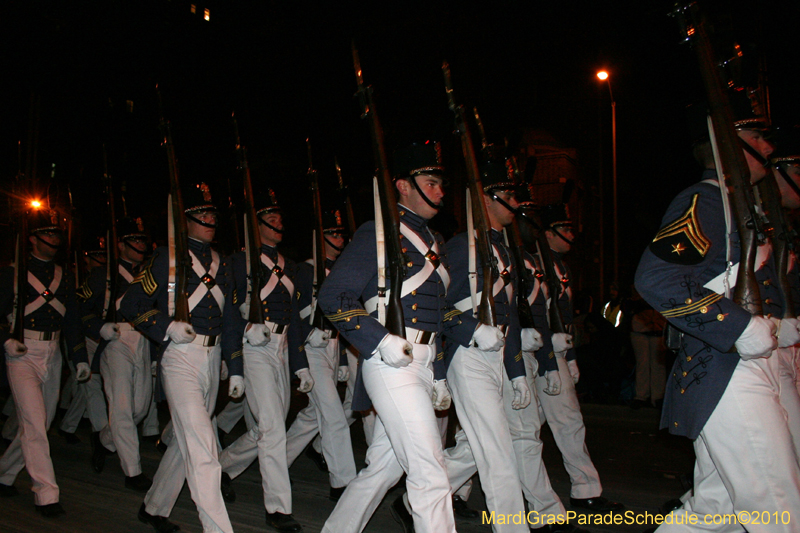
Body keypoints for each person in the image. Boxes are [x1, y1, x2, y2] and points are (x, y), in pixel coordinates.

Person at [634, 99, 800, 530]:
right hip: (725, 368)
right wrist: (740, 327)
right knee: (779, 508)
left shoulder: (739, 206)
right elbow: (658, 279)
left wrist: (777, 326)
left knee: (714, 513)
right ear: (725, 143)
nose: (768, 147)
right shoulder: (706, 202)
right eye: (756, 137)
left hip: (750, 364)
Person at [318, 141, 458, 533]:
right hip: (392, 363)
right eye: (430, 184)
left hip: (425, 363)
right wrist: (380, 340)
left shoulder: (435, 241)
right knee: (430, 472)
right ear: (403, 186)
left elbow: (436, 315)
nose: (439, 192)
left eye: (440, 184)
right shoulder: (377, 234)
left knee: (383, 468)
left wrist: (439, 373)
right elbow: (333, 295)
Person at [119, 183, 242, 533]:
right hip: (180, 358)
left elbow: (231, 318)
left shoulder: (222, 262)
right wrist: (167, 326)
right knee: (203, 447)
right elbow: (131, 304)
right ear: (184, 220)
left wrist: (235, 366)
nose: (210, 220)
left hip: (212, 358)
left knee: (185, 441)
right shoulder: (165, 258)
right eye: (201, 214)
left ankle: (154, 507)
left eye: (212, 214)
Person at [433, 156, 534, 533]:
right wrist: (471, 328)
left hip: (498, 356)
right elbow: (435, 306)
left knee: (478, 448)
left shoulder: (504, 250)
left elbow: (509, 316)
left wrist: (517, 372)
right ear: (487, 198)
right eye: (508, 194)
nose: (516, 202)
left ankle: (421, 495)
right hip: (468, 355)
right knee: (498, 453)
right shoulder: (462, 247)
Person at [217, 189, 309, 533]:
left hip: (281, 347)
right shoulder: (237, 262)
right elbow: (226, 313)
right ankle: (278, 508)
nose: (278, 224)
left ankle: (221, 467)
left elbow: (295, 320)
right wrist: (242, 340)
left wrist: (300, 363)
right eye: (270, 219)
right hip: (253, 346)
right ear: (254, 227)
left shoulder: (289, 265)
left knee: (267, 426)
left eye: (280, 219)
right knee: (271, 426)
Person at [534, 204, 623, 513]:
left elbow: (564, 317)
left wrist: (570, 355)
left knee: (546, 426)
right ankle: (452, 483)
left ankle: (585, 488)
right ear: (548, 234)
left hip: (555, 350)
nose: (571, 235)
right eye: (565, 229)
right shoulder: (535, 263)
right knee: (552, 424)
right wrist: (553, 353)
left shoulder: (560, 266)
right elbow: (534, 315)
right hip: (537, 352)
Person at [0, 208, 88, 517]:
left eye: (56, 234)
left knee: (40, 423)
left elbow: (72, 319)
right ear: (33, 239)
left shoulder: (65, 275)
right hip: (22, 353)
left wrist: (79, 357)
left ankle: (4, 474)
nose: (54, 239)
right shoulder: (12, 273)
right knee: (36, 425)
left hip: (53, 352)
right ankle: (46, 493)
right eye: (47, 234)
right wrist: (5, 340)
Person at [78, 216, 155, 491]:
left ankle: (104, 439)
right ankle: (133, 472)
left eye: (142, 240)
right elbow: (78, 308)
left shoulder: (149, 272)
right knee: (122, 408)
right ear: (121, 245)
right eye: (134, 240)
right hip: (116, 339)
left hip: (144, 338)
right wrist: (98, 327)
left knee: (140, 408)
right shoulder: (104, 275)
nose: (140, 245)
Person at [285, 209, 356, 502]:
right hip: (310, 348)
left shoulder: (341, 271)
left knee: (313, 416)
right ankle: (343, 482)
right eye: (333, 234)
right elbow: (291, 313)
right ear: (320, 238)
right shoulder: (304, 271)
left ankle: (277, 461)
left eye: (341, 234)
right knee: (334, 415)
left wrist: (342, 358)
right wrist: (305, 333)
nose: (339, 239)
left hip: (333, 346)